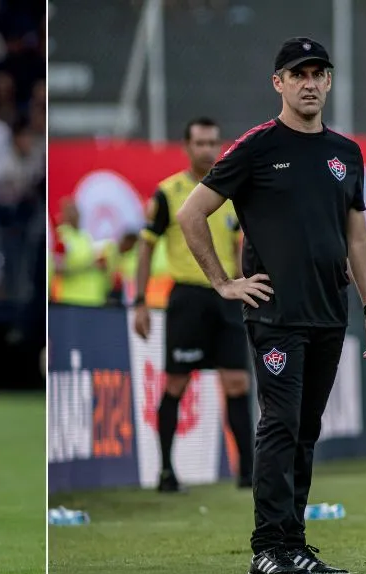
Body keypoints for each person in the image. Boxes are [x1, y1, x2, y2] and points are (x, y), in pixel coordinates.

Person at [177, 37, 366, 574]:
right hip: (274, 315)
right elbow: (191, 214)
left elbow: (356, 236)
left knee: (306, 429)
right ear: (280, 84)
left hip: (328, 312)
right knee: (280, 425)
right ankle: (268, 547)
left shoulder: (346, 153)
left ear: (329, 82)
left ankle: (294, 543)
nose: (310, 83)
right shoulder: (257, 147)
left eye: (318, 73)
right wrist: (224, 282)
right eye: (299, 74)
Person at [134, 117, 255, 492]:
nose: (207, 150)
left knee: (236, 382)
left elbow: (246, 243)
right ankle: (167, 471)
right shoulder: (168, 193)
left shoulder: (234, 192)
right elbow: (145, 247)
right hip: (187, 296)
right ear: (186, 147)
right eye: (200, 143)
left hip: (229, 297)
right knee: (176, 382)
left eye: (213, 142)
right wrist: (139, 301)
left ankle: (247, 473)